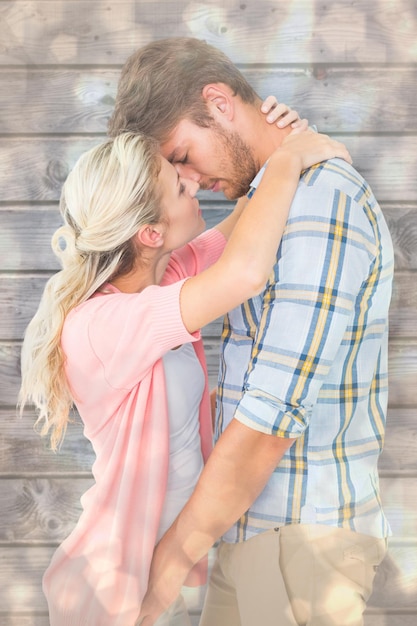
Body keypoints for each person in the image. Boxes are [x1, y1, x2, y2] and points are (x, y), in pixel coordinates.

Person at [18, 99, 347, 624]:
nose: (193, 183)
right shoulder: (101, 326)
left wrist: (282, 142)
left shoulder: (165, 277)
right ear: (150, 233)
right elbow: (244, 274)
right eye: (178, 185)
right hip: (108, 591)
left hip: (163, 577)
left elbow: (244, 225)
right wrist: (289, 162)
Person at [108, 37, 395, 626]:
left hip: (301, 541)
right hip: (249, 530)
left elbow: (272, 416)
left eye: (183, 155)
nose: (186, 181)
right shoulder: (272, 198)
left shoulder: (321, 201)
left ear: (218, 101)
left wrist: (164, 572)